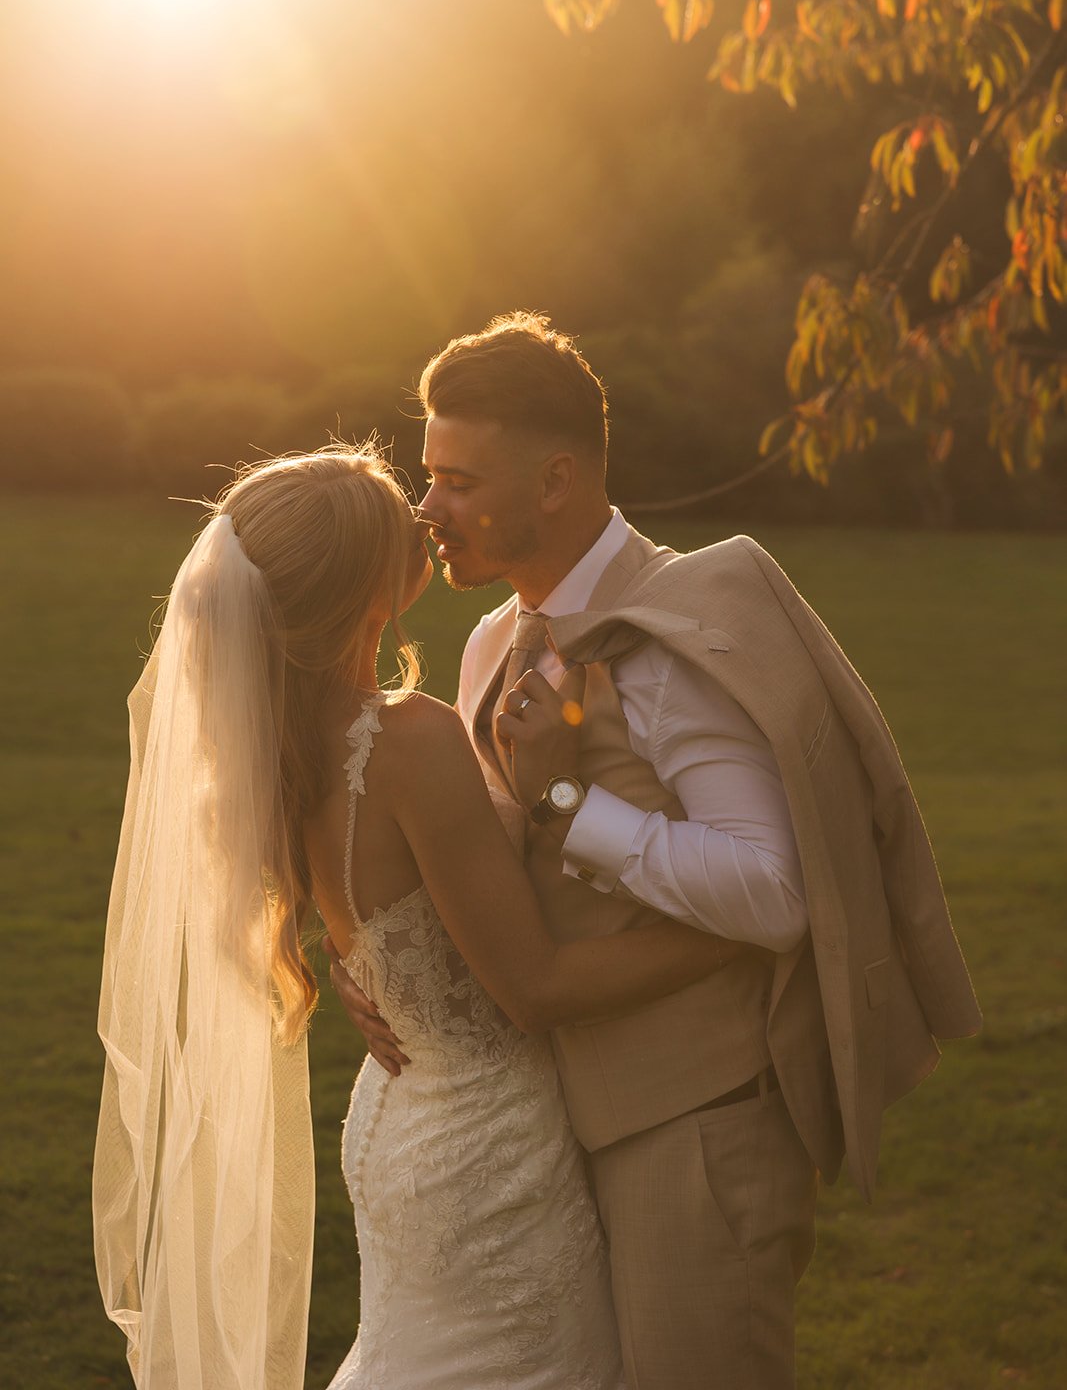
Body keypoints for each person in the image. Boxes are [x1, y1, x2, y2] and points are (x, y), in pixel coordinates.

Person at [331, 312, 982, 1390]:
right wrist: (385, 975)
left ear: (551, 481)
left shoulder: (678, 638)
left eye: (456, 480)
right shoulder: (496, 639)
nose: (426, 508)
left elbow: (775, 891)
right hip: (546, 1133)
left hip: (696, 1130)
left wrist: (565, 797)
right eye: (427, 474)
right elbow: (486, 870)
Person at [93, 442, 742, 1390]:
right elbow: (534, 987)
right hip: (487, 1145)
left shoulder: (279, 749)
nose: (430, 516)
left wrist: (371, 972)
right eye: (404, 517)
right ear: (370, 589)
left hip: (398, 1118)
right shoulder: (407, 739)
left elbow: (378, 912)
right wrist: (728, 930)